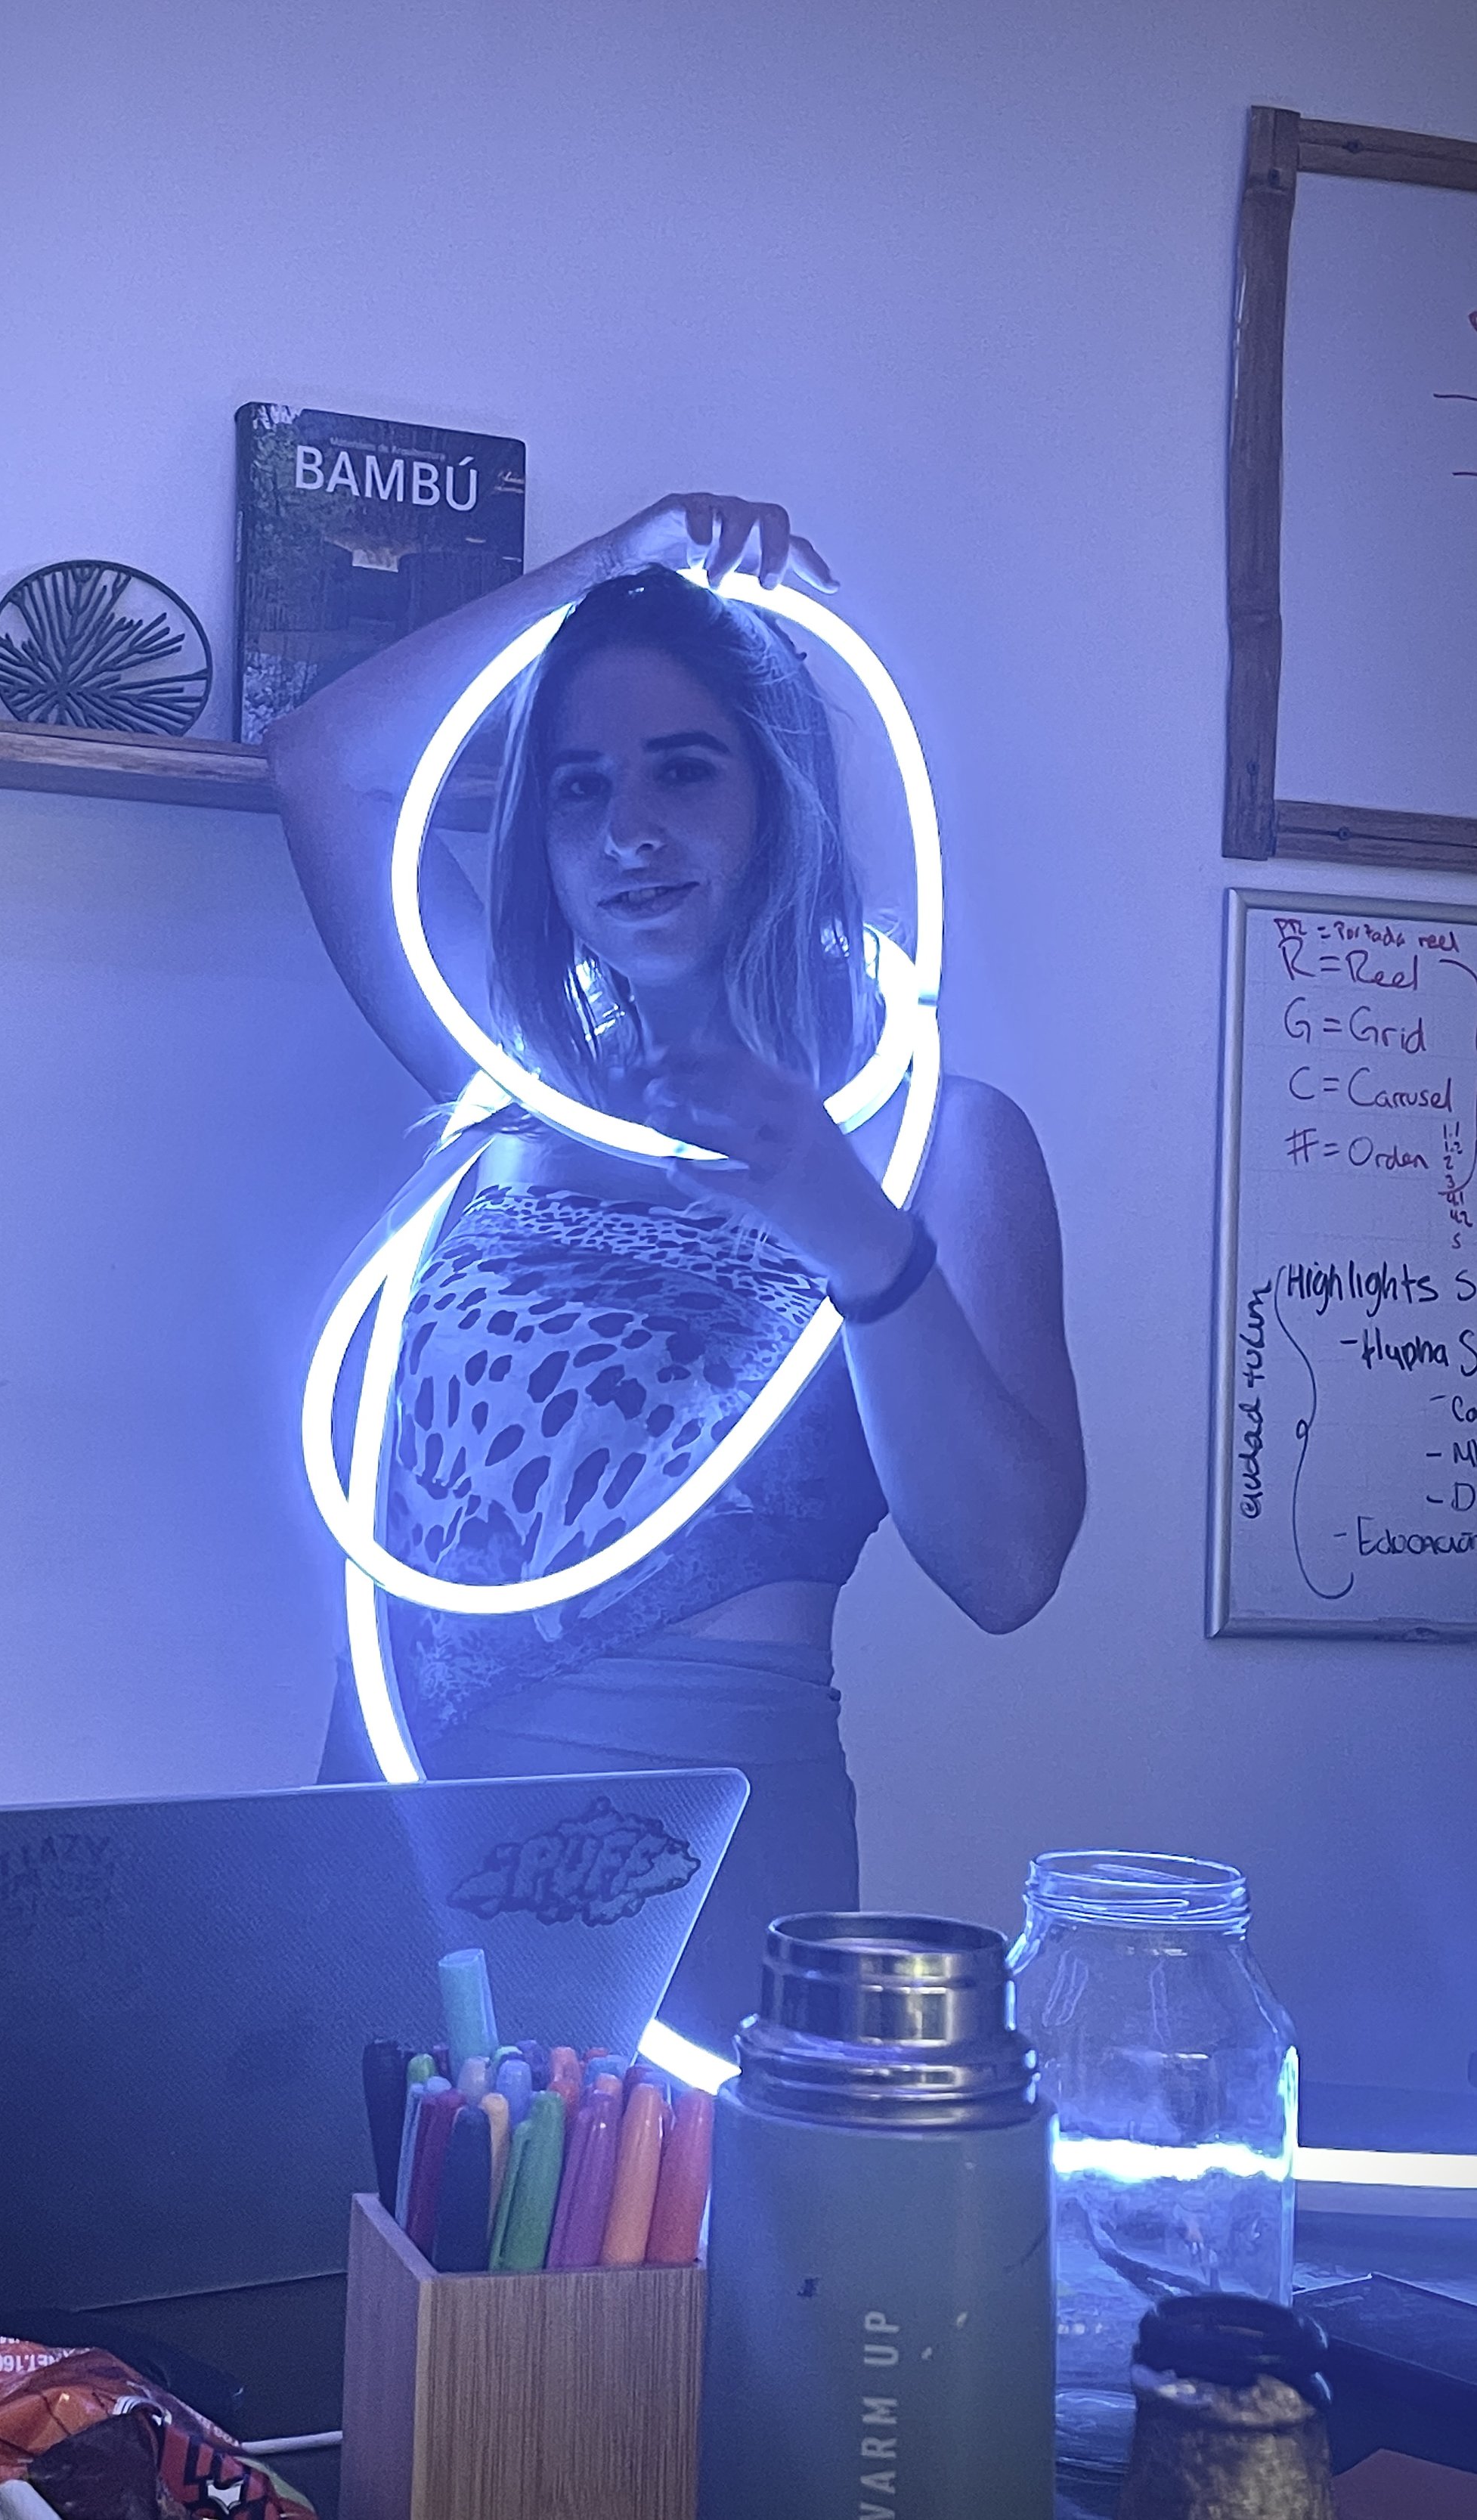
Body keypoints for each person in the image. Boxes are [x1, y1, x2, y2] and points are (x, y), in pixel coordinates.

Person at [271, 494, 1085, 2049]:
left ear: (781, 798)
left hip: (679, 1875)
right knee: (360, 2203)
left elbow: (1008, 1566)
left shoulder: (933, 1141)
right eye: (577, 786)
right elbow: (323, 762)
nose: (625, 828)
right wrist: (607, 569)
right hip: (385, 1826)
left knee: (659, 2219)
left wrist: (847, 1224)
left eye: (683, 768)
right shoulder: (505, 1088)